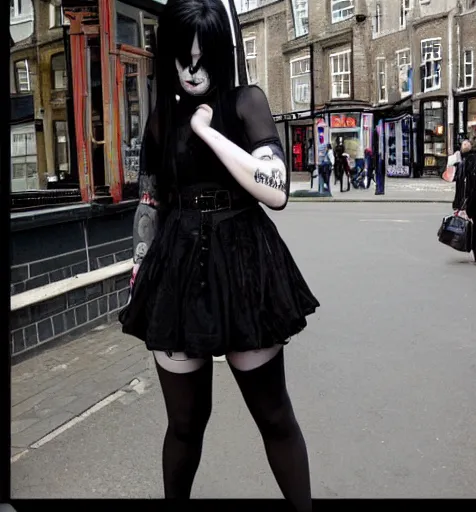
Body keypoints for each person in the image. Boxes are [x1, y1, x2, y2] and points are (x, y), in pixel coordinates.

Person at [118, 0, 319, 509]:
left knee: (273, 415)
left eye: (202, 56)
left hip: (244, 264)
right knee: (185, 424)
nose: (192, 69)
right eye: (182, 58)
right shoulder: (162, 118)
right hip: (177, 270)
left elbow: (275, 190)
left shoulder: (246, 101)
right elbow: (151, 201)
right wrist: (140, 269)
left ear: (220, 54)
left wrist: (208, 131)